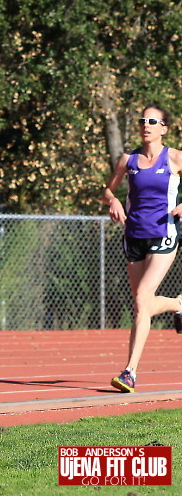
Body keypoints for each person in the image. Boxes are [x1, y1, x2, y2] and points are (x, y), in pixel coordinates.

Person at [103, 105, 182, 393]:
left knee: (141, 299)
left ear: (164, 128)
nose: (145, 125)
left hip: (164, 234)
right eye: (142, 120)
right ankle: (178, 304)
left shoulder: (175, 157)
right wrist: (113, 200)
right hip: (134, 235)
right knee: (141, 305)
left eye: (152, 121)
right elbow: (108, 190)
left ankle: (130, 372)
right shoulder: (128, 159)